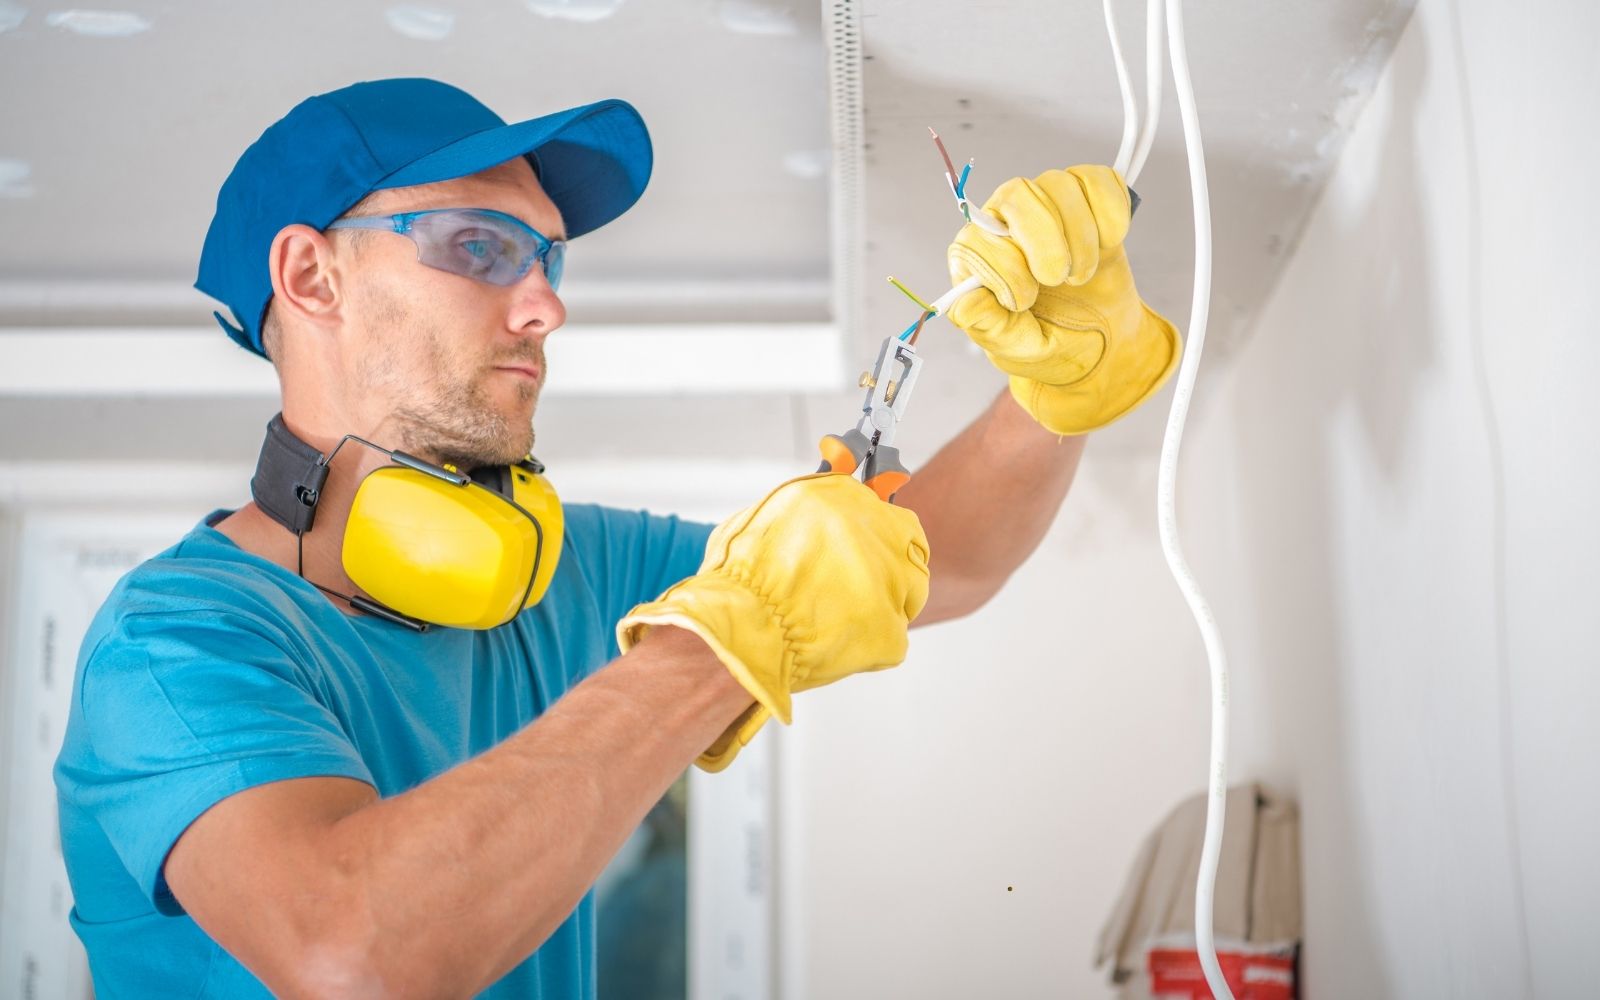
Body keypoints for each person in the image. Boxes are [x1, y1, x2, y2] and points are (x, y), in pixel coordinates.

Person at [52, 77, 1178, 998]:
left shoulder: (567, 573)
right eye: (483, 248)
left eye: (549, 260)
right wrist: (714, 643)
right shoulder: (177, 643)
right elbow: (359, 957)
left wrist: (1060, 392)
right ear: (311, 274)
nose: (546, 305)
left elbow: (945, 561)